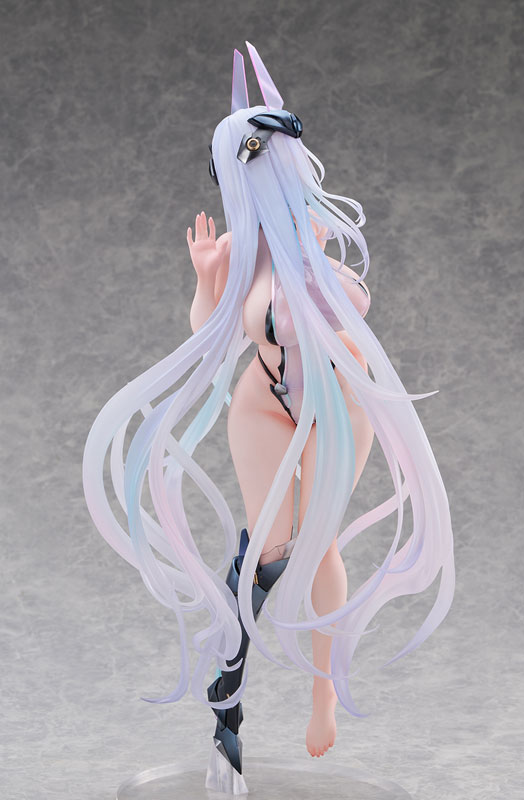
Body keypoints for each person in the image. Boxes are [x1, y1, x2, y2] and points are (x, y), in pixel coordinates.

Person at [82, 42, 455, 792]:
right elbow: (210, 334)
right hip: (264, 396)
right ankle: (228, 710)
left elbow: (352, 313)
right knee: (268, 545)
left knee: (316, 547)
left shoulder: (317, 248)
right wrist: (207, 278)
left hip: (333, 403)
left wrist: (311, 268)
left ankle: (323, 701)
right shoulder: (239, 252)